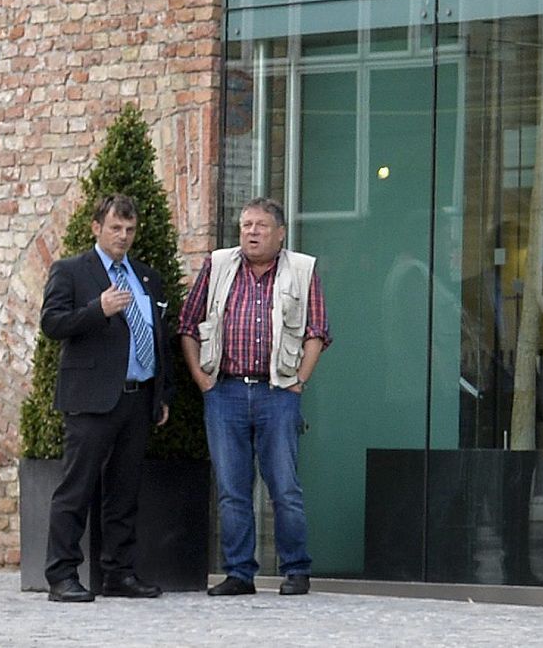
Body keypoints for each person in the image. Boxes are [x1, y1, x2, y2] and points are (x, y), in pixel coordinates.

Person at [177, 197, 330, 597]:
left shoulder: (301, 269)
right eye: (246, 225)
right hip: (224, 390)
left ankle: (296, 569)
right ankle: (240, 573)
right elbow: (188, 323)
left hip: (277, 393)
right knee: (232, 489)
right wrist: (201, 378)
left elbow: (317, 332)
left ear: (280, 233)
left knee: (285, 488)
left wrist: (299, 380)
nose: (251, 233)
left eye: (261, 226)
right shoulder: (218, 265)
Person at [38, 194, 171, 602]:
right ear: (96, 227)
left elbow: (158, 337)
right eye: (115, 228)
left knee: (124, 492)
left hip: (136, 398)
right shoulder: (71, 271)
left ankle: (119, 573)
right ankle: (61, 575)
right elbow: (52, 323)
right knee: (75, 490)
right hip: (92, 400)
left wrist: (161, 392)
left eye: (130, 230)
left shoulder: (146, 277)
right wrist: (99, 308)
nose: (123, 236)